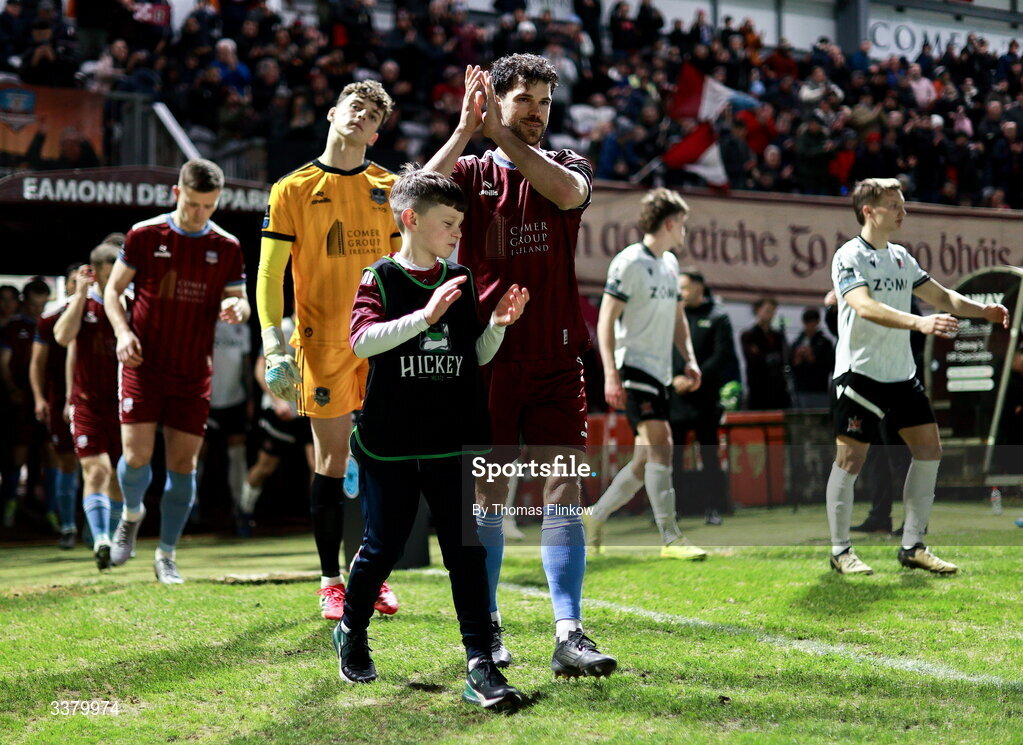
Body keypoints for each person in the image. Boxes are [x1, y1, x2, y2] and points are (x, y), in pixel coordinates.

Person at [425, 56, 617, 677]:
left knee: (564, 490)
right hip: (488, 359)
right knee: (487, 500)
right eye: (524, 100)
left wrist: (498, 133)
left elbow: (564, 194)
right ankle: (489, 628)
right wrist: (463, 132)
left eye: (544, 102)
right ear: (496, 100)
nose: (536, 111)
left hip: (559, 357)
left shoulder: (570, 164)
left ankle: (569, 632)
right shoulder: (472, 171)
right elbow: (412, 206)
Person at [337, 167, 528, 709]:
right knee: (382, 548)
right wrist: (425, 315)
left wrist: (499, 327)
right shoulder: (380, 277)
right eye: (447, 223)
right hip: (392, 440)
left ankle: (479, 664)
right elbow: (361, 343)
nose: (456, 233)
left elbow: (474, 357)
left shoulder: (462, 277)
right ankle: (352, 632)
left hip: (450, 440)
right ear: (410, 220)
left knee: (464, 554)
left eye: (460, 224)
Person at [257, 80, 401, 620]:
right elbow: (270, 274)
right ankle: (329, 581)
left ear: (377, 130)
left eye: (372, 114)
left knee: (385, 461)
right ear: (332, 113)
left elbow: (400, 268)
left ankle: (373, 570)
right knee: (333, 461)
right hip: (321, 344)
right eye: (354, 107)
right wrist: (273, 344)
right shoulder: (291, 189)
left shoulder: (390, 187)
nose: (361, 116)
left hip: (381, 342)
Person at [826, 177, 1008, 575]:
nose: (903, 211)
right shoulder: (848, 256)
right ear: (868, 210)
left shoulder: (901, 257)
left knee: (929, 452)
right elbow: (864, 306)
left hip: (900, 376)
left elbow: (943, 297)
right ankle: (841, 552)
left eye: (903, 203)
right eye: (894, 204)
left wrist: (984, 311)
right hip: (860, 375)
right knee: (850, 460)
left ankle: (913, 546)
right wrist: (920, 324)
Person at [104, 159, 250, 584]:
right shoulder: (145, 234)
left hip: (192, 370)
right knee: (136, 456)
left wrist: (236, 309)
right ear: (176, 194)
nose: (199, 213)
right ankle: (131, 515)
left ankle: (166, 554)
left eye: (208, 206)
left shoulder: (226, 246)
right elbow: (113, 291)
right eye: (192, 204)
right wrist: (121, 333)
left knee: (183, 464)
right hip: (142, 363)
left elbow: (240, 300)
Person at [585, 188, 705, 559]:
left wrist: (690, 358)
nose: (685, 232)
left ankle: (595, 515)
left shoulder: (670, 265)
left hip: (660, 371)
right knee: (662, 443)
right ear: (670, 223)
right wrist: (610, 374)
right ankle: (670, 538)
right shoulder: (629, 262)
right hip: (633, 365)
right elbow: (606, 320)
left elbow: (678, 317)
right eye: (683, 225)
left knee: (643, 459)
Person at [54, 245, 125, 570]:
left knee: (121, 476)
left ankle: (114, 538)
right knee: (97, 470)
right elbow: (62, 338)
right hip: (87, 403)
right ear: (96, 272)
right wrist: (80, 295)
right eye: (112, 273)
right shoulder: (82, 304)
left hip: (124, 402)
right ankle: (101, 540)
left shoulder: (130, 301)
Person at [671, 269, 740, 526]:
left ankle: (713, 508)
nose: (681, 293)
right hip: (676, 399)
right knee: (673, 458)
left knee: (709, 457)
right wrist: (676, 378)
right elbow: (666, 352)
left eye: (685, 287)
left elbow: (722, 355)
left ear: (699, 288)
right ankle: (672, 510)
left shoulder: (718, 316)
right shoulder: (673, 316)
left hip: (705, 399)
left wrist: (694, 379)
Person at [239, 316, 314, 537]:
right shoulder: (283, 328)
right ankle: (244, 511)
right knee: (265, 467)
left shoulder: (321, 324)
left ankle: (319, 516)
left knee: (318, 466)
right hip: (281, 412)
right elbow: (260, 367)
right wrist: (278, 400)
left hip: (310, 410)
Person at [30, 264, 81, 546]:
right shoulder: (50, 319)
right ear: (68, 285)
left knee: (100, 464)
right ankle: (68, 526)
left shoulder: (106, 311)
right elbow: (36, 363)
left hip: (97, 401)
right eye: (75, 281)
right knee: (66, 461)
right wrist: (40, 398)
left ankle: (99, 529)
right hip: (59, 400)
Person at [1, 278, 50, 528]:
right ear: (25, 302)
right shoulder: (13, 327)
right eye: (33, 305)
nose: (37, 311)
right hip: (21, 401)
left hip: (46, 401)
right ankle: (9, 506)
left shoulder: (52, 324)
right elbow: (4, 362)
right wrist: (11, 389)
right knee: (18, 453)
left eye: (41, 306)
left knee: (49, 453)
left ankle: (51, 510)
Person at [204, 318, 253, 527]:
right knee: (196, 454)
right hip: (207, 400)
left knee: (238, 455)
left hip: (235, 400)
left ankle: (241, 508)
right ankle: (193, 507)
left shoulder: (241, 327)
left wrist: (250, 398)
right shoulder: (204, 322)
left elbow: (246, 365)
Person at [741, 297, 791, 410]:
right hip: (758, 387)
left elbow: (784, 356)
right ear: (758, 310)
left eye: (773, 311)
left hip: (777, 388)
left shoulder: (777, 336)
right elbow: (753, 358)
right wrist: (768, 357)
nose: (771, 315)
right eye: (768, 311)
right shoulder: (749, 335)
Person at [789, 307, 834, 409]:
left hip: (819, 389)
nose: (810, 326)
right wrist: (798, 359)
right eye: (807, 322)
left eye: (812, 322)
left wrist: (812, 358)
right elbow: (790, 365)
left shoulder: (825, 343)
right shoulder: (797, 342)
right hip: (800, 389)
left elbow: (829, 366)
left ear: (817, 323)